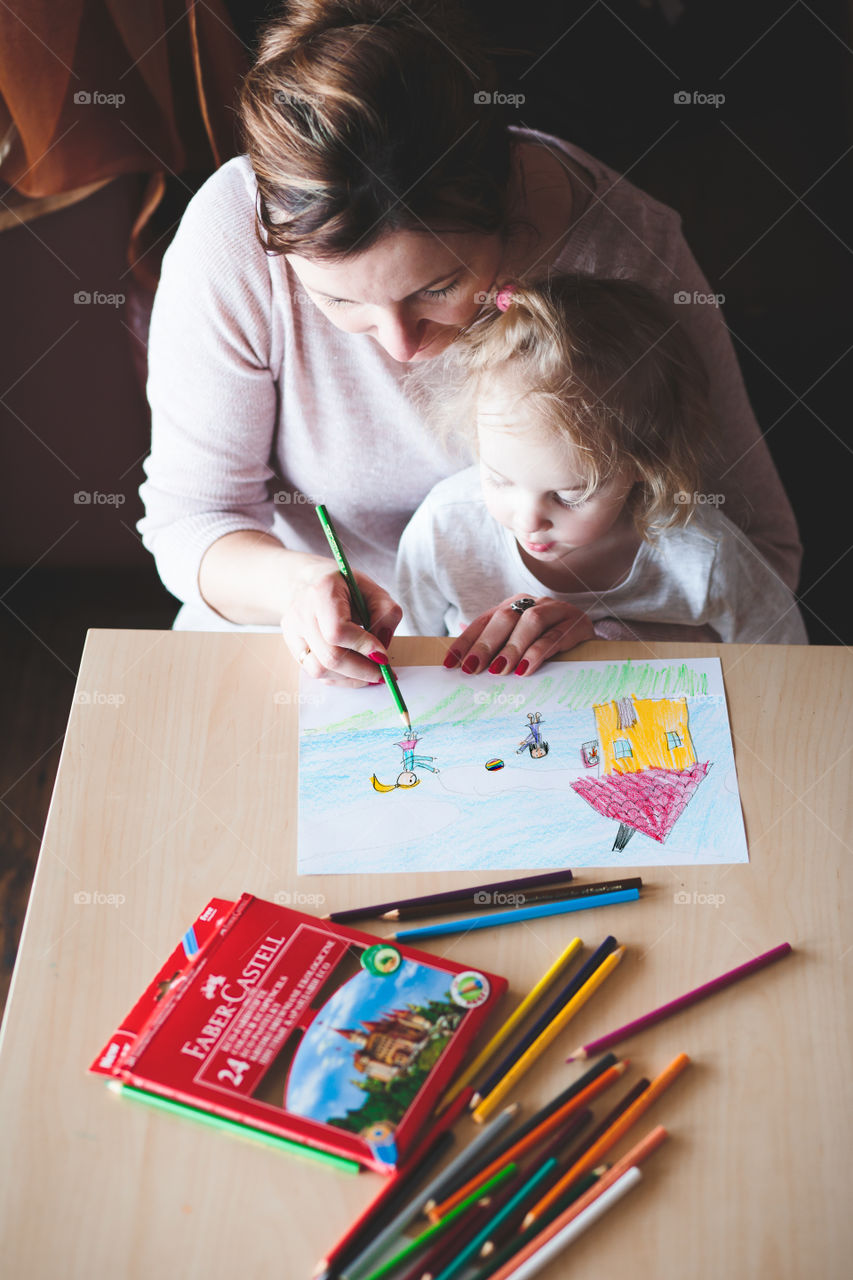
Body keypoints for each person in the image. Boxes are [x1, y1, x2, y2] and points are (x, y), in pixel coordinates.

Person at [137, 0, 802, 687]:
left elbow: (759, 552)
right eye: (337, 300)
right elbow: (193, 519)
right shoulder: (231, 237)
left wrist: (607, 634)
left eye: (437, 286)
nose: (397, 345)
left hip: (558, 670)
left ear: (508, 212)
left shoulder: (628, 250)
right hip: (295, 648)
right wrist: (299, 588)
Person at [395, 276, 807, 674]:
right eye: (500, 478)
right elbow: (411, 655)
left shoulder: (702, 555)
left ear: (646, 464)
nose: (528, 520)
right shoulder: (443, 527)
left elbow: (784, 659)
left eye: (570, 495)